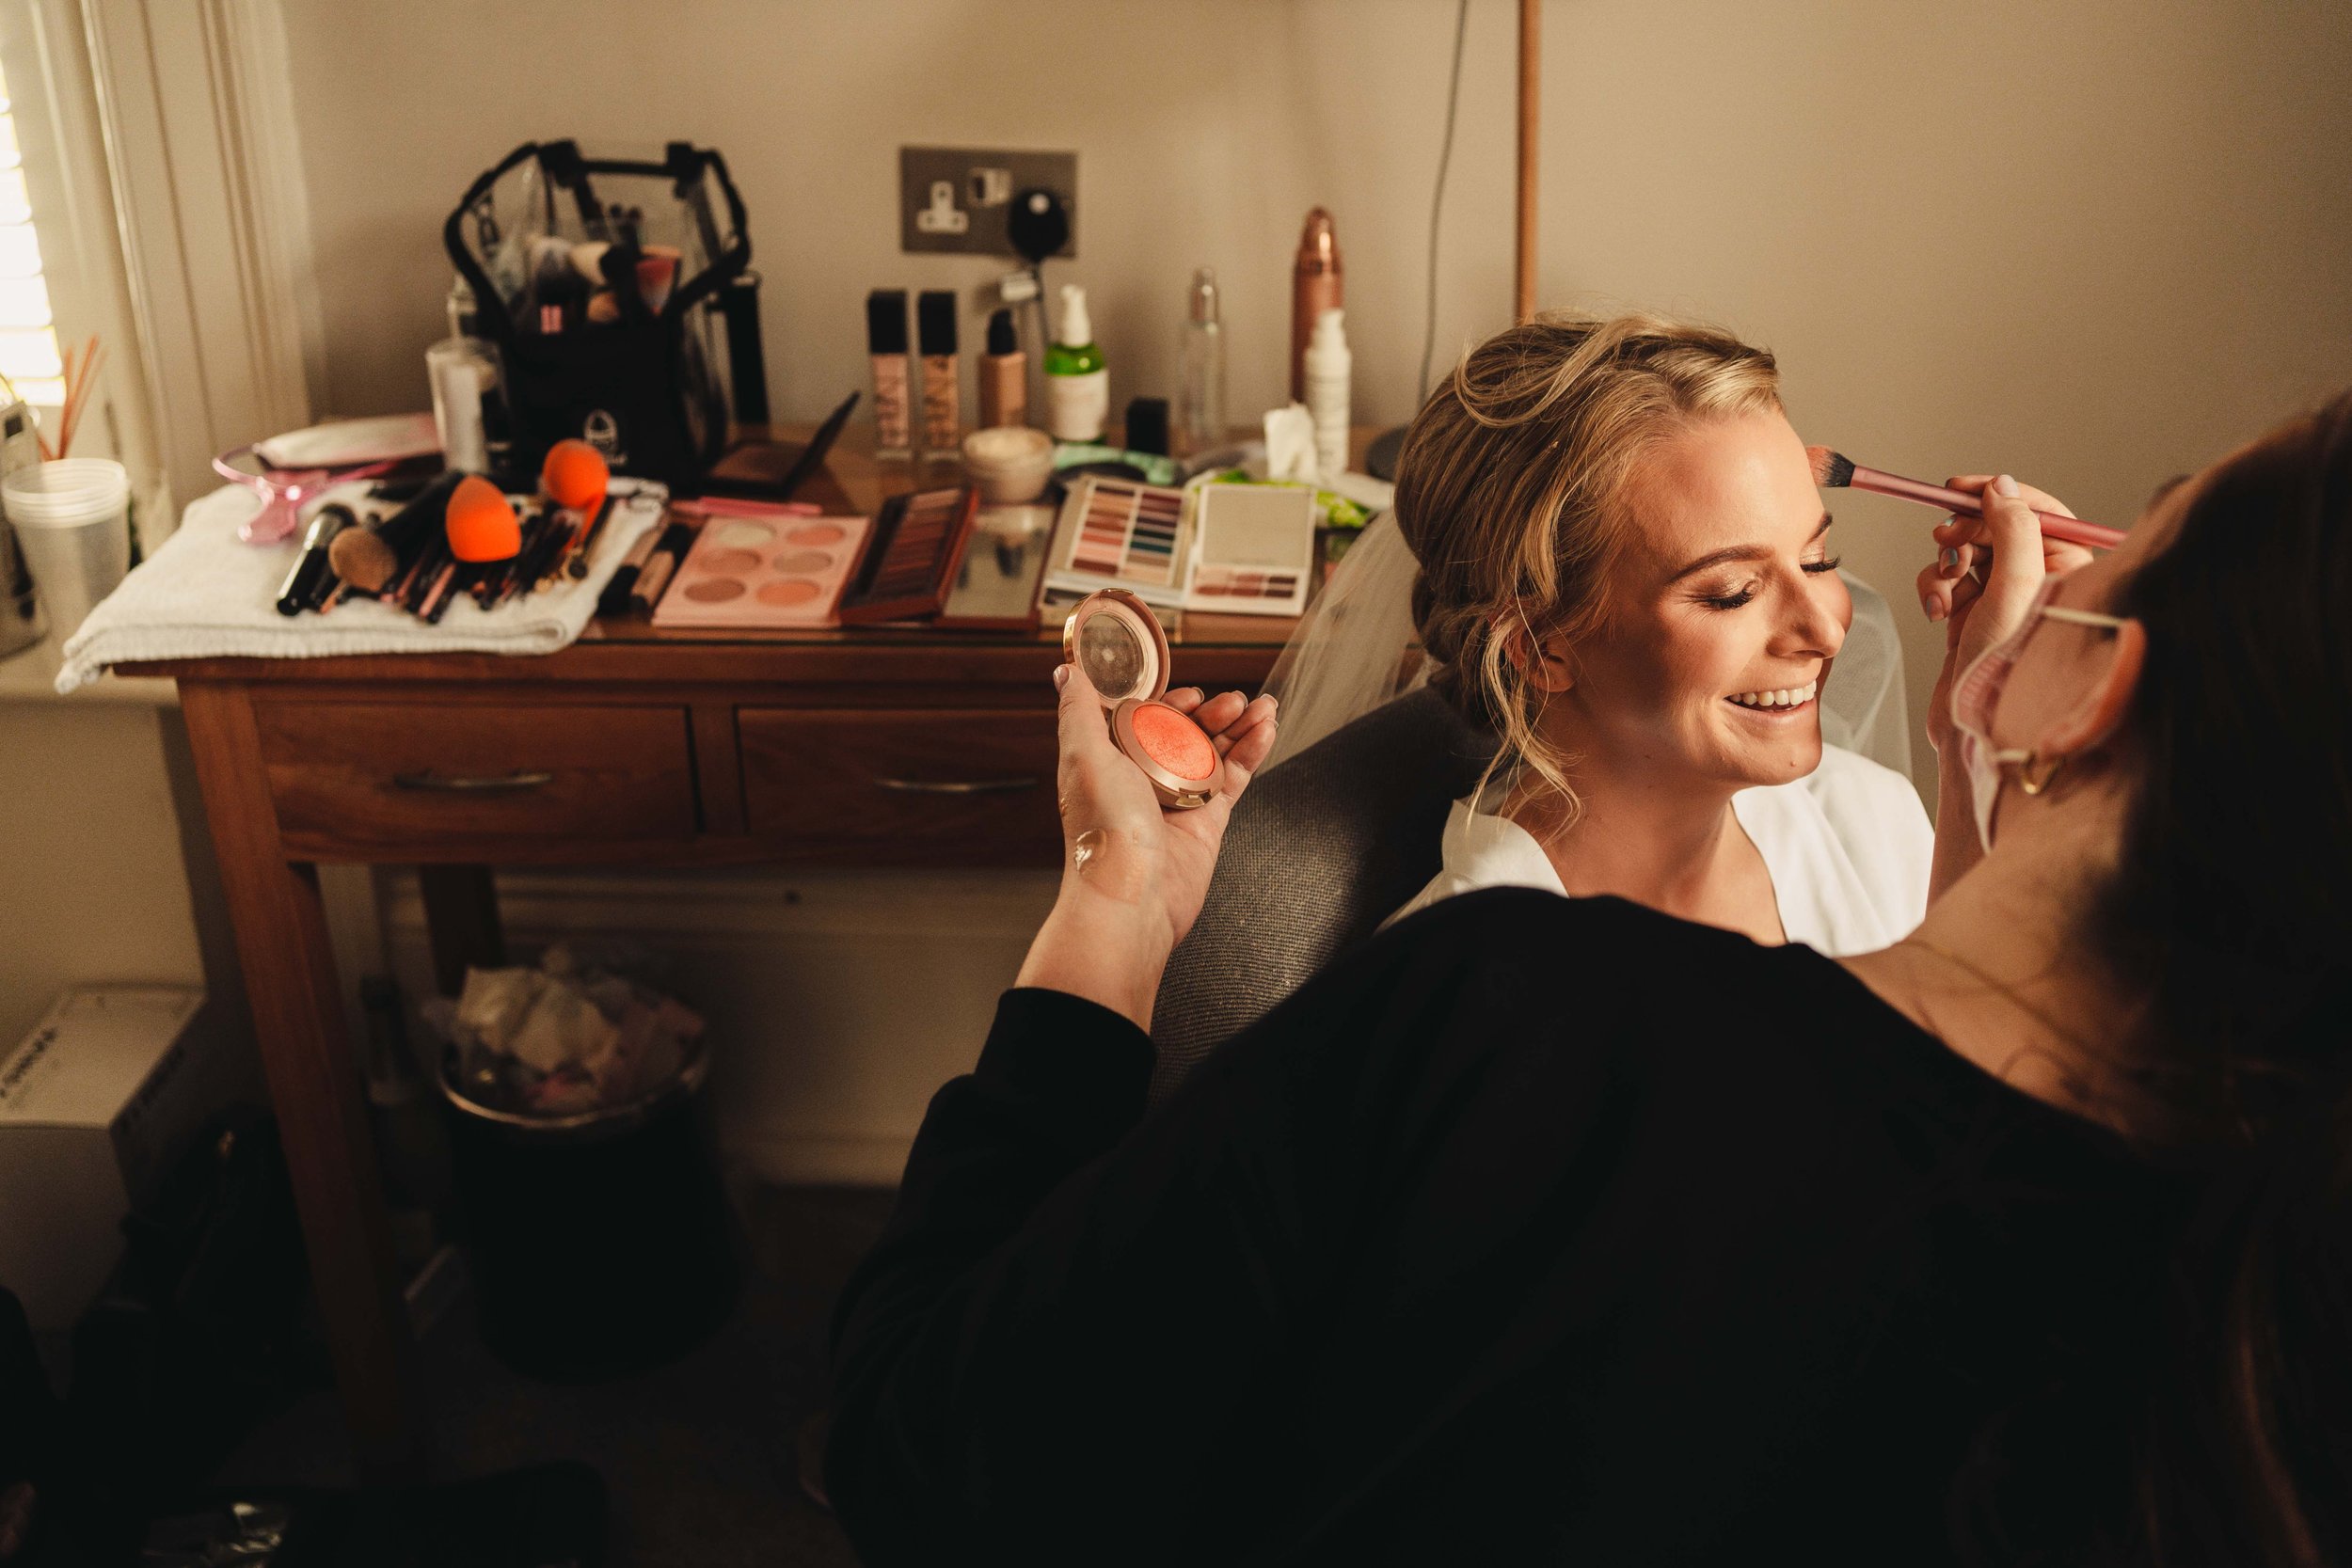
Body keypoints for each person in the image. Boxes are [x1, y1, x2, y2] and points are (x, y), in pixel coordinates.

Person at [826, 393, 2352, 1565]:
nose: (1830, 620)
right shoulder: (2273, 1335)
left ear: (2094, 682)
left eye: (2125, 542)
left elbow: (922, 1456)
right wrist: (1983, 751)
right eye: (1739, 581)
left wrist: (1115, 903)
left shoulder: (1494, 1021)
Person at [1278, 312, 1931, 954]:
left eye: (1817, 561)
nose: (1825, 630)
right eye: (1732, 593)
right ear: (1539, 647)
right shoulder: (1454, 991)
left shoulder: (1876, 825)